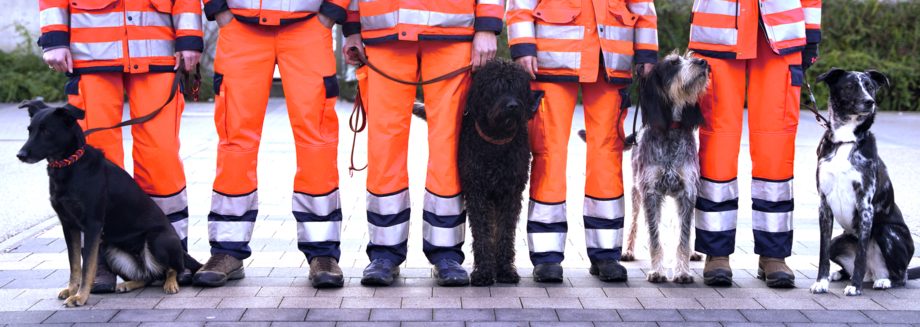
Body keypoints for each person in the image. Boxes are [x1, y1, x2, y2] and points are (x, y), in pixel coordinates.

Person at [39, 0, 203, 292]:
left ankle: (171, 257)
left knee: (161, 158)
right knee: (93, 163)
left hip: (159, 52)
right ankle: (102, 261)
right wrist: (53, 38)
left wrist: (189, 37)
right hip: (91, 56)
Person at [343, 0, 503, 287]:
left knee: (448, 148)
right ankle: (384, 253)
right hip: (383, 35)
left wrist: (487, 27)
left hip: (451, 35)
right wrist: (351, 27)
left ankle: (446, 253)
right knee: (384, 148)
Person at [193, 0, 351, 288]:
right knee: (234, 139)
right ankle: (227, 250)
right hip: (240, 27)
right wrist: (219, 9)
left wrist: (329, 14)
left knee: (317, 142)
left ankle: (323, 253)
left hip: (308, 27)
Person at [506, 0, 658, 282]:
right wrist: (522, 43)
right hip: (551, 58)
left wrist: (647, 52)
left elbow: (642, 5)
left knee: (607, 157)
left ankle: (606, 253)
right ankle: (547, 256)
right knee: (549, 152)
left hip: (610, 60)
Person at [689, 0, 821, 288]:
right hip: (719, 34)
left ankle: (774, 254)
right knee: (717, 147)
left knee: (776, 148)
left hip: (780, 35)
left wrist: (811, 34)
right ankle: (716, 251)